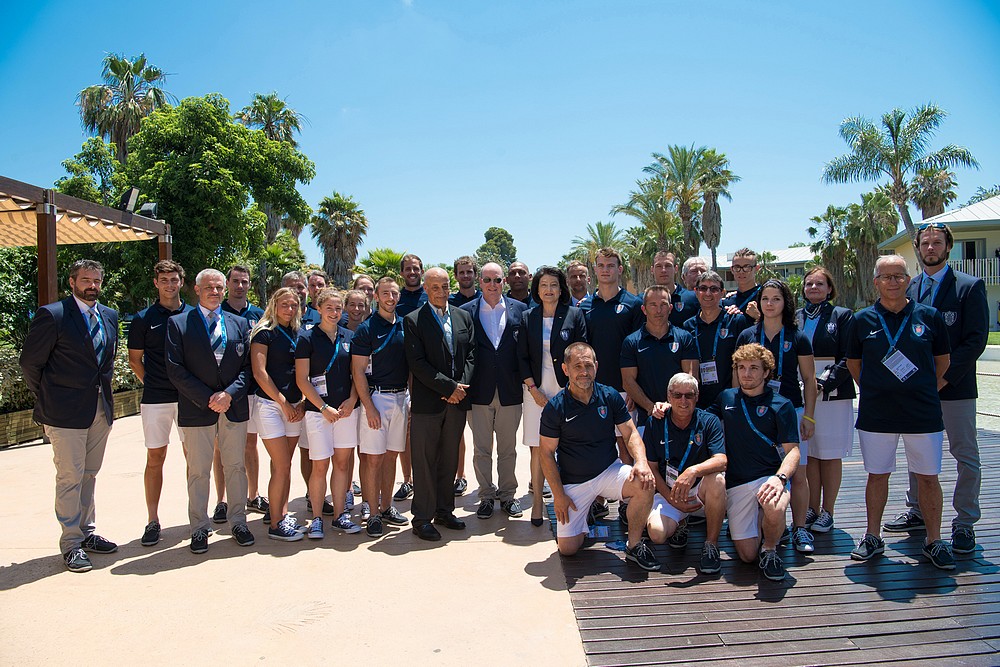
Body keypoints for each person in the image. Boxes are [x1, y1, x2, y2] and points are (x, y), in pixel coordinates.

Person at [883, 222, 989, 556]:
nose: (931, 247)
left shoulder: (969, 287)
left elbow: (975, 341)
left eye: (937, 242)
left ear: (948, 247)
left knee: (965, 456)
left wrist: (942, 378)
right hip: (916, 391)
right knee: (918, 454)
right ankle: (917, 510)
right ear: (918, 247)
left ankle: (965, 523)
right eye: (925, 242)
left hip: (954, 389)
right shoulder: (909, 288)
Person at [846, 254, 954, 570]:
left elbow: (943, 361)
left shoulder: (929, 316)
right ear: (875, 281)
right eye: (886, 276)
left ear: (908, 280)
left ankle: (934, 540)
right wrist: (879, 389)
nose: (893, 282)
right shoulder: (862, 320)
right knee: (877, 475)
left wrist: (920, 390)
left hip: (923, 412)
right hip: (877, 413)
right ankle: (872, 536)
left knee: (928, 477)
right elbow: (855, 365)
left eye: (899, 276)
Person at [20, 259, 120, 572]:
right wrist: (51, 395)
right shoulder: (54, 315)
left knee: (89, 474)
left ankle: (87, 532)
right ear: (73, 282)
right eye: (86, 280)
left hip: (99, 410)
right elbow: (30, 364)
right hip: (64, 414)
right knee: (69, 477)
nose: (92, 285)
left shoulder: (109, 315)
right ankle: (71, 544)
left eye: (97, 280)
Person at [538, 343, 660, 571]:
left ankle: (634, 545)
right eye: (577, 366)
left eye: (588, 365)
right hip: (574, 482)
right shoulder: (555, 408)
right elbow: (545, 453)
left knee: (645, 483)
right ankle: (584, 517)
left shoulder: (609, 396)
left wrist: (641, 462)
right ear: (565, 369)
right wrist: (558, 496)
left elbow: (630, 432)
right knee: (569, 548)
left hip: (608, 471)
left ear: (596, 366)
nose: (584, 372)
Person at [165, 268, 255, 554]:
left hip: (233, 407)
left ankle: (238, 522)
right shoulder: (178, 323)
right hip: (196, 409)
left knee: (236, 467)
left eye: (219, 288)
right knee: (198, 471)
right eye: (209, 288)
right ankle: (199, 528)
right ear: (196, 289)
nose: (215, 292)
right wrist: (208, 398)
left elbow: (248, 368)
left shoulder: (239, 324)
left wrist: (228, 395)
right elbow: (175, 370)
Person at [736, 279, 816, 554]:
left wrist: (810, 416)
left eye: (776, 299)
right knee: (760, 467)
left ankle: (801, 528)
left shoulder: (798, 336)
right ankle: (769, 524)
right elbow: (737, 378)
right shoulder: (747, 334)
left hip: (788, 409)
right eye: (766, 299)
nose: (770, 304)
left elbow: (809, 378)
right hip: (753, 412)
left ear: (786, 303)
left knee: (798, 472)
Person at [716, 343, 801, 581]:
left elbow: (793, 451)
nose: (747, 373)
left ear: (766, 372)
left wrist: (780, 478)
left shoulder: (781, 404)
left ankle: (771, 549)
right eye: (741, 367)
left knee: (774, 504)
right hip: (737, 482)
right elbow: (696, 418)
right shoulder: (726, 398)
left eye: (754, 368)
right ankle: (763, 528)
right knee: (746, 555)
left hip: (768, 476)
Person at [403, 267, 476, 541]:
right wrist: (448, 388)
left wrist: (460, 388)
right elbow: (417, 363)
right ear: (425, 288)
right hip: (428, 402)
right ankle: (422, 518)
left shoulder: (463, 316)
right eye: (435, 287)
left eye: (445, 286)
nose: (442, 291)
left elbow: (471, 354)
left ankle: (445, 511)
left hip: (457, 402)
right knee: (424, 461)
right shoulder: (413, 320)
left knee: (448, 459)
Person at [127, 260, 194, 547]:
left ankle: (198, 518)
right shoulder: (143, 318)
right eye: (164, 280)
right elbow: (134, 359)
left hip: (190, 399)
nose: (169, 284)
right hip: (156, 399)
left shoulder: (194, 315)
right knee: (155, 458)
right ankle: (153, 521)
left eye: (174, 279)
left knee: (196, 458)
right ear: (156, 283)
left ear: (182, 282)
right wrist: (152, 384)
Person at [578, 247, 645, 520]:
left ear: (620, 269)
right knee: (595, 444)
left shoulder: (632, 304)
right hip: (591, 390)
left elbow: (639, 347)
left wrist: (632, 387)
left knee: (626, 446)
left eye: (611, 265)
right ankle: (598, 499)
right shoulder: (583, 306)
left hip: (623, 389)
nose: (605, 269)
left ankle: (628, 501)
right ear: (595, 270)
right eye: (601, 265)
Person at [518, 267, 588, 525]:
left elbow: (583, 353)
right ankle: (537, 504)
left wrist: (576, 388)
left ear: (562, 289)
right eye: (544, 285)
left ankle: (570, 500)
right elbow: (521, 357)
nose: (549, 289)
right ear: (537, 289)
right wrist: (534, 390)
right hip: (535, 391)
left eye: (554, 285)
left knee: (570, 446)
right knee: (538, 449)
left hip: (568, 391)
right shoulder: (527, 317)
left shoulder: (575, 315)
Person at [462, 262, 529, 520]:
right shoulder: (466, 312)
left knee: (508, 448)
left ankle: (508, 495)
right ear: (480, 282)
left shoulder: (520, 311)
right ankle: (486, 496)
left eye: (497, 280)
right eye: (487, 280)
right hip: (478, 391)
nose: (492, 285)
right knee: (481, 449)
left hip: (510, 390)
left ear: (504, 282)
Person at [643, 373, 727, 575]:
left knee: (717, 480)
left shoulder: (709, 421)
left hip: (698, 491)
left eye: (689, 395)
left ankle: (711, 545)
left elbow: (722, 460)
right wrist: (671, 499)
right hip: (668, 492)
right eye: (677, 395)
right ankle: (680, 522)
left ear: (697, 397)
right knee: (657, 535)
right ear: (668, 396)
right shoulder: (655, 422)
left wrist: (693, 470)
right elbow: (652, 468)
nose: (683, 401)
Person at [296, 288, 361, 538]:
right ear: (319, 309)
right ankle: (315, 519)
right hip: (318, 412)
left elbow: (357, 374)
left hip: (346, 411)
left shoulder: (349, 337)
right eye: (329, 308)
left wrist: (352, 399)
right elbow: (302, 379)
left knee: (342, 464)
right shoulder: (307, 337)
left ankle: (338, 516)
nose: (334, 313)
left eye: (338, 308)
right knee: (320, 465)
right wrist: (323, 408)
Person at [795, 267, 855, 534]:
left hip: (832, 395)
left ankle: (828, 511)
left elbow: (849, 357)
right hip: (800, 392)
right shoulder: (795, 317)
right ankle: (811, 507)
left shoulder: (842, 316)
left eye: (820, 284)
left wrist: (823, 383)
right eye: (809, 284)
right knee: (810, 454)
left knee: (829, 455)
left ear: (830, 288)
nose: (814, 288)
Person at [351, 277, 411, 538]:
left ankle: (387, 506)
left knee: (391, 455)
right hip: (376, 399)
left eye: (394, 293)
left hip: (401, 398)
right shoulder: (366, 329)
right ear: (375, 296)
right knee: (373, 459)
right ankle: (372, 512)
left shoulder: (406, 326)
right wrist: (369, 407)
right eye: (385, 293)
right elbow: (358, 371)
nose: (390, 297)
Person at [250, 287, 306, 542]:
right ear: (274, 305)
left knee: (283, 465)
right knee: (282, 465)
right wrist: (283, 403)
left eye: (294, 305)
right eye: (284, 304)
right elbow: (260, 373)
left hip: (295, 406)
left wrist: (300, 402)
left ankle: (281, 513)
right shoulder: (264, 333)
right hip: (272, 406)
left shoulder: (298, 332)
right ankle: (275, 525)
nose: (289, 309)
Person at [214, 264, 268, 523]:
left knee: (250, 442)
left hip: (251, 389)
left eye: (244, 281)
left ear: (249, 284)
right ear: (227, 283)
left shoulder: (259, 315)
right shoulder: (216, 311)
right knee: (219, 447)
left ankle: (253, 494)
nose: (239, 286)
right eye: (235, 281)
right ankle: (221, 501)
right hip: (223, 390)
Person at [621, 285, 699, 431]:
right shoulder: (631, 342)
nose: (658, 310)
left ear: (670, 308)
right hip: (648, 419)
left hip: (682, 420)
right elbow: (628, 382)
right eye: (653, 305)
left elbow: (691, 378)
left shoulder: (684, 338)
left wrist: (672, 407)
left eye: (663, 305)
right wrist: (652, 408)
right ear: (644, 309)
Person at [281, 270, 326, 511]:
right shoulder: (281, 319)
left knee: (312, 450)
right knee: (284, 456)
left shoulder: (318, 315)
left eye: (301, 287)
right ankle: (279, 504)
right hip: (288, 395)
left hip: (315, 396)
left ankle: (313, 495)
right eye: (294, 287)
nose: (299, 291)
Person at [683, 270, 750, 410]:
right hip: (698, 401)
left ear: (722, 293)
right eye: (703, 288)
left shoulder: (736, 321)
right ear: (696, 292)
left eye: (714, 289)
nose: (708, 293)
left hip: (730, 399)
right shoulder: (688, 326)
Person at [392, 253, 427, 504]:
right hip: (403, 367)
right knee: (407, 425)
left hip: (430, 367)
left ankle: (449, 477)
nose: (412, 272)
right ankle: (408, 480)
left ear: (421, 271)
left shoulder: (431, 295)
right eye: (408, 269)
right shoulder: (396, 300)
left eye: (416, 268)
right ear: (402, 272)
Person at [448, 255, 480, 494]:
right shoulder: (449, 303)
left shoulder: (487, 297)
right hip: (457, 380)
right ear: (456, 275)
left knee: (485, 437)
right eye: (462, 272)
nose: (466, 276)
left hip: (484, 379)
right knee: (456, 432)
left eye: (470, 272)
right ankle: (460, 476)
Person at [652, 251, 698, 328]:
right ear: (652, 270)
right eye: (659, 266)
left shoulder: (693, 298)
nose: (663, 270)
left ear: (676, 269)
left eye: (668, 266)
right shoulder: (643, 300)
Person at [722, 247, 761, 320]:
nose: (741, 271)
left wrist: (758, 316)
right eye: (737, 267)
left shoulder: (765, 298)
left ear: (756, 269)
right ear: (732, 270)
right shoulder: (728, 301)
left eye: (747, 267)